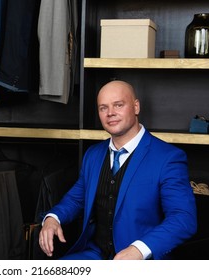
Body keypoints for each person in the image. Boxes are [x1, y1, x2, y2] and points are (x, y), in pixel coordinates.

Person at [38, 80, 197, 260]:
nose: (111, 113)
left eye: (118, 105)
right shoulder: (93, 155)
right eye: (103, 108)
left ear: (136, 107)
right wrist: (53, 218)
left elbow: (183, 218)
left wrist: (140, 249)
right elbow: (77, 198)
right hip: (95, 254)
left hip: (142, 263)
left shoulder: (168, 158)